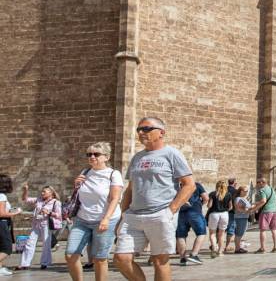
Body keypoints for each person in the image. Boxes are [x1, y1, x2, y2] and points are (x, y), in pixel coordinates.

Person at [113, 116, 195, 281]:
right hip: (133, 216)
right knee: (121, 259)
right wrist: (122, 215)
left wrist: (170, 211)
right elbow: (131, 188)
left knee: (160, 261)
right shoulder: (137, 157)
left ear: (161, 133)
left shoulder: (171, 154)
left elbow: (189, 185)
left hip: (160, 214)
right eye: (139, 129)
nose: (141, 132)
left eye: (146, 129)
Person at [65, 142, 124, 281]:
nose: (92, 157)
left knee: (99, 258)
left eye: (96, 154)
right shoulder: (84, 173)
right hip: (82, 219)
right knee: (70, 255)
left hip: (104, 220)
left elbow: (115, 198)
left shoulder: (113, 174)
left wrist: (106, 219)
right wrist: (76, 186)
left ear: (106, 157)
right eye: (89, 154)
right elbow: (79, 196)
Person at [16, 183, 61, 271]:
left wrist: (49, 213)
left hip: (46, 224)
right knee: (29, 242)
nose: (42, 193)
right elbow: (25, 199)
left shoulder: (56, 202)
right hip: (36, 224)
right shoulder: (38, 200)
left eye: (44, 192)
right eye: (42, 192)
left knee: (46, 244)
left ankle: (45, 263)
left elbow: (59, 215)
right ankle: (24, 264)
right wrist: (25, 190)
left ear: (51, 193)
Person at [176, 181, 208, 266]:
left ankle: (183, 259)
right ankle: (194, 254)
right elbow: (206, 198)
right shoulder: (196, 185)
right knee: (201, 233)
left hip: (181, 213)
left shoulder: (176, 186)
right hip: (195, 212)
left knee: (180, 235)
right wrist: (200, 204)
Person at [248, 177, 276, 254]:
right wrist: (255, 203)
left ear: (262, 183)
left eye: (258, 182)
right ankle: (275, 247)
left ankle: (262, 248)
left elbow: (263, 201)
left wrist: (254, 209)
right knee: (274, 230)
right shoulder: (271, 189)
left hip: (266, 211)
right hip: (275, 211)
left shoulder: (262, 190)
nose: (257, 184)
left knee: (263, 230)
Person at [0, 175, 21, 276]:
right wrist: (16, 213)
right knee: (7, 248)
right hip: (2, 223)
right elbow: (1, 213)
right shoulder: (2, 196)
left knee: (1, 247)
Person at [206, 180, 232, 258]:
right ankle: (220, 252)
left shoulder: (213, 194)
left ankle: (214, 248)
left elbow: (209, 206)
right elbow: (230, 207)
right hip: (224, 214)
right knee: (221, 234)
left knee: (212, 233)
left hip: (214, 214)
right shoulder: (228, 194)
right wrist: (225, 209)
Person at [232, 185, 251, 253]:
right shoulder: (238, 198)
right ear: (241, 191)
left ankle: (238, 247)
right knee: (239, 233)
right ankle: (237, 249)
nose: (246, 192)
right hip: (240, 217)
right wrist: (246, 211)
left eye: (247, 191)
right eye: (245, 191)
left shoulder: (243, 198)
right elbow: (238, 208)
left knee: (241, 233)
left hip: (244, 217)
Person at [224, 178, 237, 252]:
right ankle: (227, 246)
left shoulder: (224, 190)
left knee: (221, 229)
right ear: (234, 183)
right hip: (231, 212)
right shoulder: (235, 191)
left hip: (222, 211)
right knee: (230, 229)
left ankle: (215, 244)